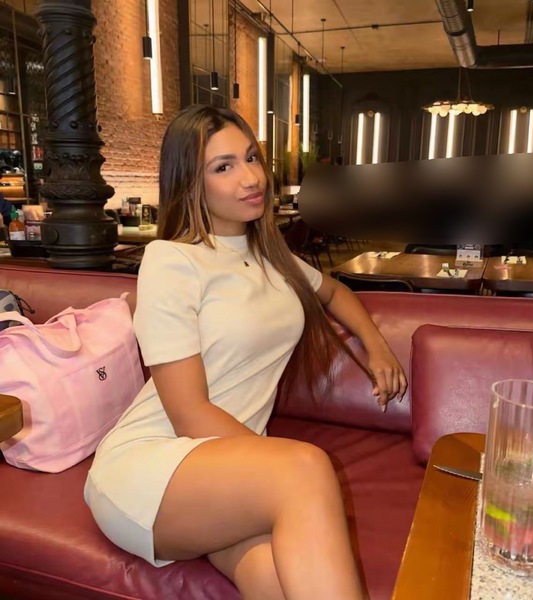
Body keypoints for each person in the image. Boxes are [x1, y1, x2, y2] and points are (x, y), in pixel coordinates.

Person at [84, 105, 406, 600]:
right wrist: (274, 466)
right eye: (223, 167)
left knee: (274, 576)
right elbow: (189, 414)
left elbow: (335, 292)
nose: (251, 177)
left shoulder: (274, 257)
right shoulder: (172, 261)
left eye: (251, 157)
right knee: (305, 468)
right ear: (191, 184)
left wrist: (377, 346)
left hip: (229, 469)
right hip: (154, 464)